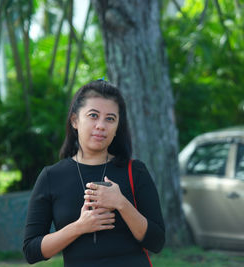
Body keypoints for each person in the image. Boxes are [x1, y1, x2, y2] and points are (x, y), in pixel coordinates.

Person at [23, 80, 165, 266]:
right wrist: (80, 226)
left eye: (110, 119)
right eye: (93, 115)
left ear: (117, 128)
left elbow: (157, 242)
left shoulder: (135, 171)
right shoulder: (52, 177)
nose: (101, 125)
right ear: (75, 120)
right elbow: (31, 251)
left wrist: (121, 203)